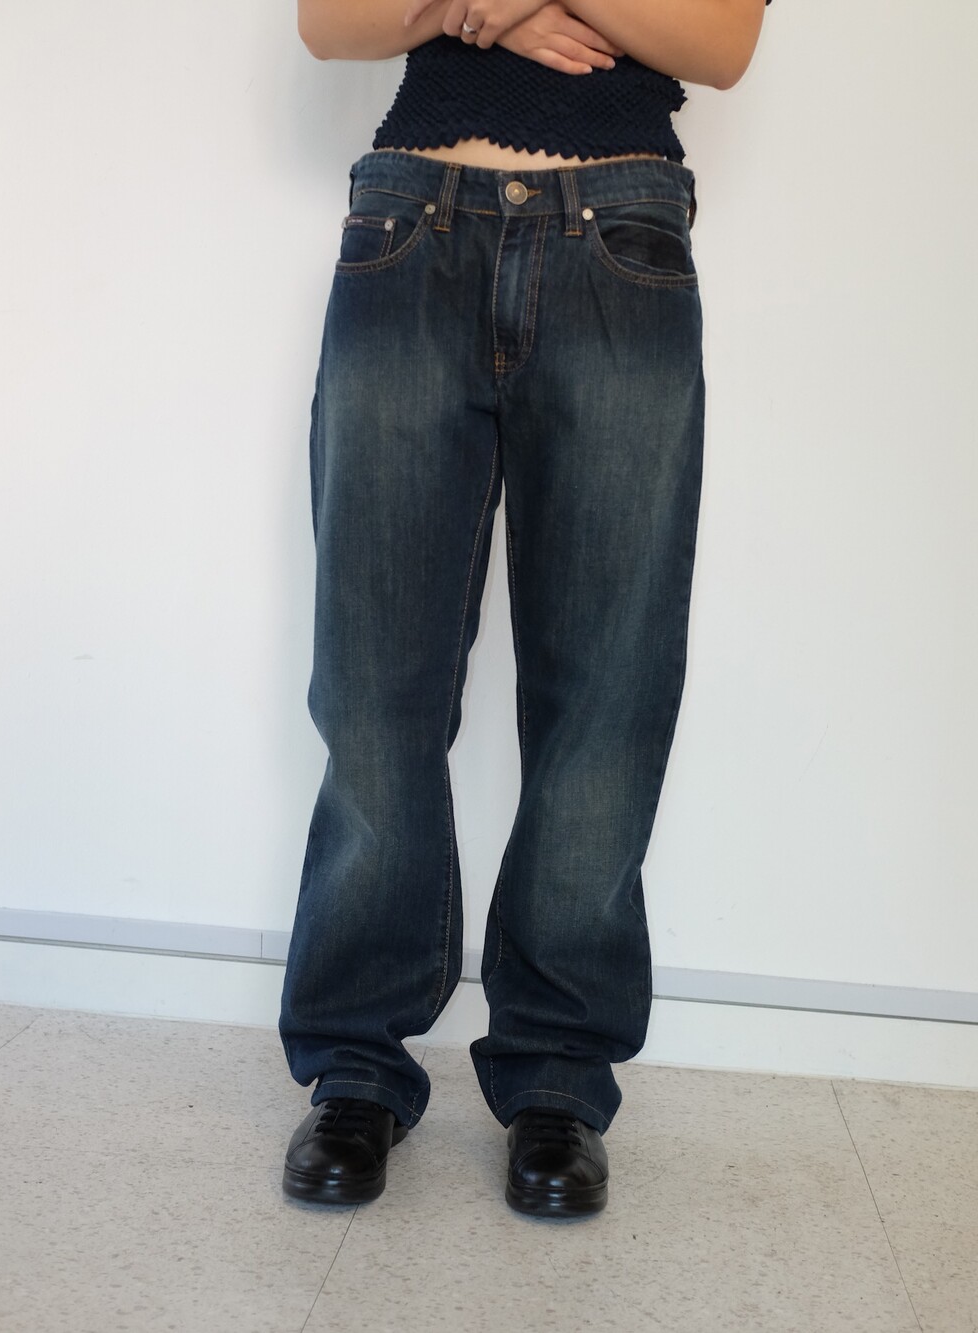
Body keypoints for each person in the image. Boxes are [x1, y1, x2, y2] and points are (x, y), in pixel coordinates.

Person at [278, 0, 772, 1218]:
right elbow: (329, 22)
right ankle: (355, 1068)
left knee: (606, 687)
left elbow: (721, 43)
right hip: (409, 225)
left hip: (622, 239)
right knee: (374, 684)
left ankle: (558, 1075)